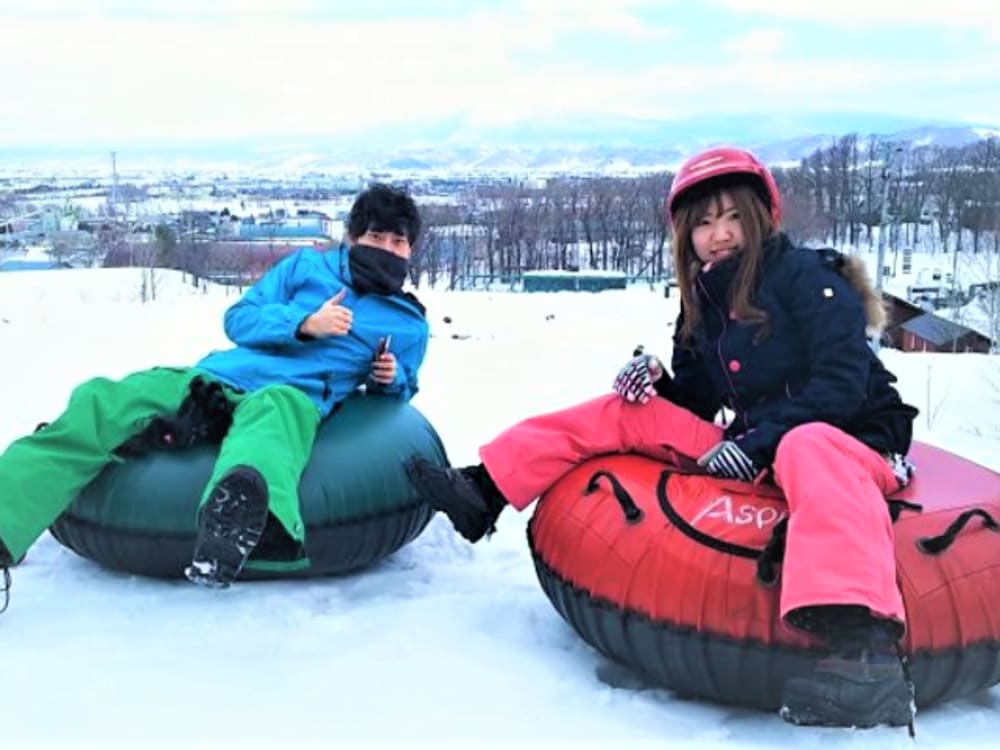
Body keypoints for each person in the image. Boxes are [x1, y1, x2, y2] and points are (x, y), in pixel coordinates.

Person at [406, 147, 919, 730]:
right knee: (627, 412)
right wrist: (655, 379)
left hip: (849, 442)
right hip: (759, 446)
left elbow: (842, 385)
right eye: (702, 223)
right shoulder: (704, 297)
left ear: (759, 216)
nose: (718, 235)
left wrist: (756, 444)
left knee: (807, 445)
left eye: (730, 218)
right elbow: (698, 399)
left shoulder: (806, 277)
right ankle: (486, 489)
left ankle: (865, 659)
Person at [0, 183, 428, 601]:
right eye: (375, 236)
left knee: (270, 428)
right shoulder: (305, 269)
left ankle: (234, 532)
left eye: (398, 241)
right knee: (102, 399)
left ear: (410, 250)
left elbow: (401, 389)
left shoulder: (407, 322)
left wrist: (388, 378)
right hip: (216, 377)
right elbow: (239, 320)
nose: (386, 249)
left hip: (289, 393)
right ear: (353, 237)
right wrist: (302, 324)